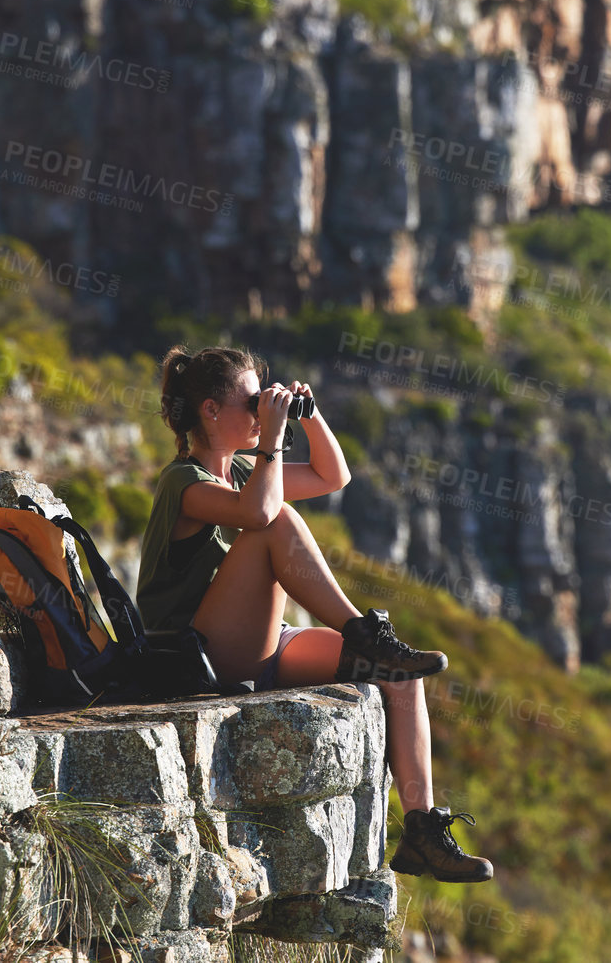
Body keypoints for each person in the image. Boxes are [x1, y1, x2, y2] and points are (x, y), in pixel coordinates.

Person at [135, 343, 492, 884]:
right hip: (194, 658)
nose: (262, 412)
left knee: (399, 674)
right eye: (251, 403)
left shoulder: (240, 475)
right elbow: (260, 511)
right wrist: (274, 441)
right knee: (274, 523)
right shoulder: (183, 483)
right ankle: (360, 629)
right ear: (210, 410)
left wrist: (310, 413)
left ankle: (421, 831)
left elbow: (333, 476)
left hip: (257, 643)